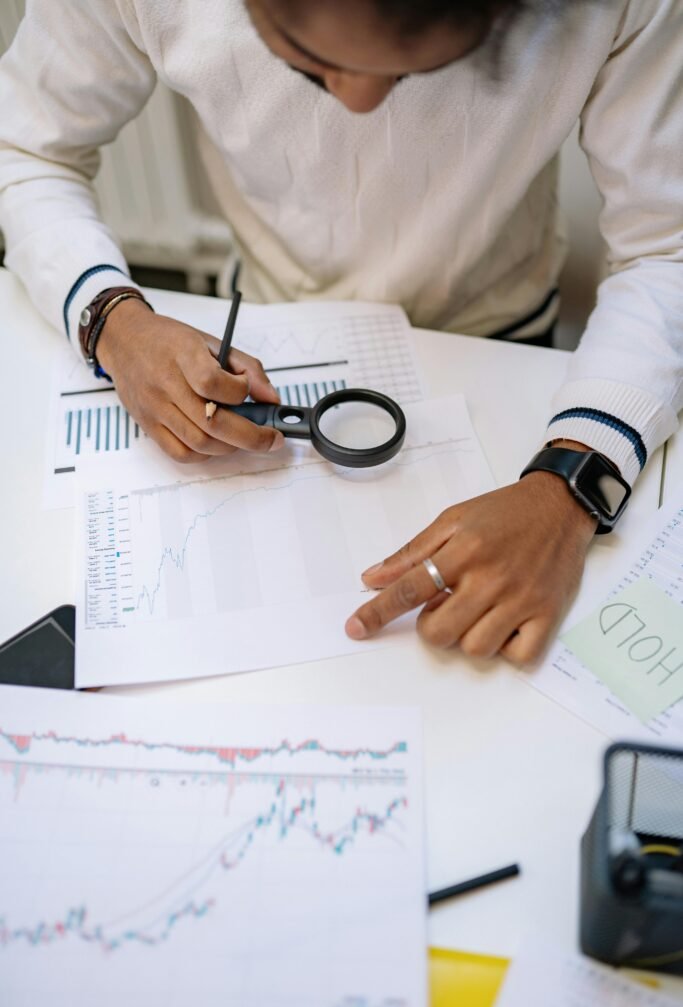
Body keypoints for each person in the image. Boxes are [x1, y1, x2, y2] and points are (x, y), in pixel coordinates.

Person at [0, 0, 681, 665]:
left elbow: (667, 248)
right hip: (264, 321)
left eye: (420, 71)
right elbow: (26, 149)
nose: (358, 103)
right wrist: (109, 318)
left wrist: (572, 481)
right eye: (308, 63)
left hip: (496, 337)